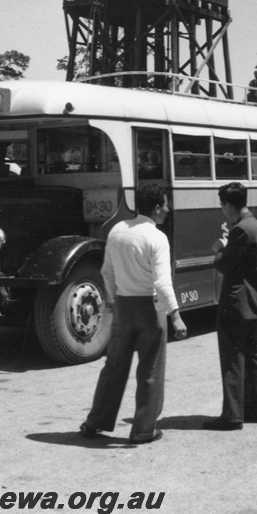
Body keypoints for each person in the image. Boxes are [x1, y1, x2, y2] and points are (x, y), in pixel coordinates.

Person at [80, 183, 188, 444]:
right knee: (151, 369)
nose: (167, 209)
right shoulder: (157, 238)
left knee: (114, 366)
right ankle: (143, 430)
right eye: (165, 204)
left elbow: (107, 271)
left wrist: (113, 297)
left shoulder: (117, 231)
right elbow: (162, 282)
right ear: (157, 207)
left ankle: (95, 422)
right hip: (150, 309)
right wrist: (175, 315)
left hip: (123, 307)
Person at [203, 182, 257, 431]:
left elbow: (224, 265)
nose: (222, 210)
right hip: (255, 302)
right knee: (252, 354)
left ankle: (232, 415)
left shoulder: (240, 231)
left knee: (233, 358)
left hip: (237, 303)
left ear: (228, 204)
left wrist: (218, 249)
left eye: (222, 205)